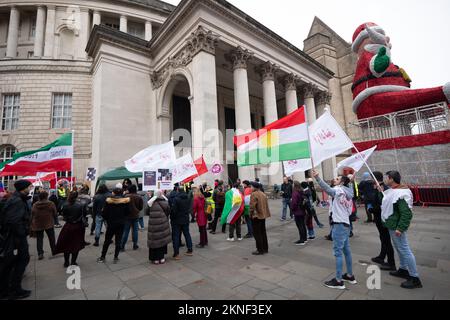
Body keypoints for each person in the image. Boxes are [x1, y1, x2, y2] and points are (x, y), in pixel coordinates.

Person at [313, 170, 356, 290]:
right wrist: (351, 181)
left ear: (341, 182)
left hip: (339, 224)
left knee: (338, 253)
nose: (334, 179)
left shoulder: (338, 190)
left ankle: (338, 281)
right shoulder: (348, 191)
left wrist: (317, 178)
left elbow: (328, 190)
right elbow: (349, 188)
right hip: (346, 223)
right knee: (346, 251)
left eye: (337, 179)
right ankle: (350, 275)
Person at [381, 171, 422, 289]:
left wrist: (400, 228)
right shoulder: (394, 191)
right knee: (400, 248)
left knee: (404, 249)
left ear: (391, 179)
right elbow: (388, 201)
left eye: (387, 178)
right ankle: (403, 269)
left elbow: (406, 213)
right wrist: (381, 191)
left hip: (396, 227)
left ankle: (415, 278)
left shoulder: (401, 193)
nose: (385, 180)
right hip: (393, 225)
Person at [0, 180, 33, 300]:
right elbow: (14, 222)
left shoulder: (17, 199)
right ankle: (15, 289)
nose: (30, 189)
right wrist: (22, 234)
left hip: (14, 237)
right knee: (19, 262)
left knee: (11, 264)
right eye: (29, 187)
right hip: (16, 239)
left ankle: (7, 290)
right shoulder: (17, 201)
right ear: (23, 188)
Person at [97, 188, 131, 264]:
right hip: (121, 223)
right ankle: (116, 257)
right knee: (118, 240)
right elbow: (128, 212)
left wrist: (107, 219)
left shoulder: (109, 201)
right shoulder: (125, 201)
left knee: (107, 240)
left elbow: (104, 213)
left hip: (111, 223)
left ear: (114, 193)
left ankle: (103, 256)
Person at [371, 171, 396, 271]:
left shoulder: (382, 188)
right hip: (379, 217)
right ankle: (382, 256)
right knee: (383, 238)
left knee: (386, 240)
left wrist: (372, 209)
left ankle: (391, 263)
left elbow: (383, 205)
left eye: (372, 177)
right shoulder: (378, 187)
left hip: (382, 218)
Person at [54, 191, 87, 268]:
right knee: (76, 244)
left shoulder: (65, 205)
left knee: (67, 244)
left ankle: (66, 262)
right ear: (77, 196)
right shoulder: (80, 205)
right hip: (78, 227)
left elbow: (64, 216)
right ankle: (73, 261)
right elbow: (84, 215)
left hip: (68, 226)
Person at [31, 191, 57, 260]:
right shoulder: (51, 203)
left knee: (39, 239)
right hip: (49, 223)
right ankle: (54, 251)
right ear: (46, 196)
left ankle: (40, 253)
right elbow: (55, 213)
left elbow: (32, 214)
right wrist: (55, 220)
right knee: (51, 238)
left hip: (38, 224)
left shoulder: (35, 205)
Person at [147, 190, 171, 265]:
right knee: (162, 240)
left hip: (153, 225)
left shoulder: (150, 203)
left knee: (154, 241)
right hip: (163, 223)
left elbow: (147, 212)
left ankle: (155, 259)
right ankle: (161, 258)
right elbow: (168, 211)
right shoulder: (165, 202)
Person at [170, 188, 193, 260]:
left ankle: (176, 254)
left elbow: (174, 211)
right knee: (187, 234)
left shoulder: (176, 199)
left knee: (176, 236)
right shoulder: (188, 197)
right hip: (185, 219)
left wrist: (172, 218)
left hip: (177, 220)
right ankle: (190, 250)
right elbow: (189, 208)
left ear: (178, 191)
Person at [249, 182, 271, 255]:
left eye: (251, 186)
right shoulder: (262, 193)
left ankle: (259, 249)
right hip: (263, 216)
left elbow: (252, 206)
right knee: (263, 232)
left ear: (255, 187)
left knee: (257, 233)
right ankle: (265, 248)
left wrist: (250, 214)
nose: (250, 188)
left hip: (256, 216)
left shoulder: (254, 194)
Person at [121, 185, 144, 251]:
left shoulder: (126, 196)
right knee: (135, 231)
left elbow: (123, 206)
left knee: (126, 231)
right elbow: (141, 207)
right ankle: (135, 245)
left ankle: (122, 246)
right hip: (135, 216)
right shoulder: (138, 197)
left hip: (127, 216)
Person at [290, 181, 308, 245]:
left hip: (298, 211)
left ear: (294, 185)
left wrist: (292, 209)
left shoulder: (295, 192)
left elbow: (294, 203)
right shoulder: (301, 191)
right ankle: (305, 238)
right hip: (302, 210)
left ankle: (302, 240)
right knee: (303, 225)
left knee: (300, 225)